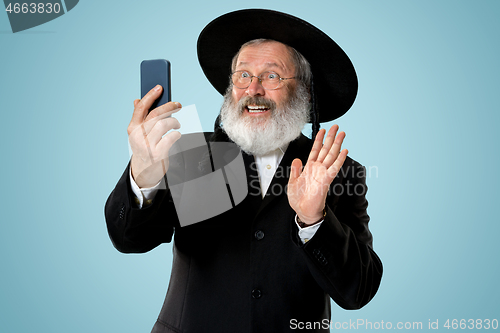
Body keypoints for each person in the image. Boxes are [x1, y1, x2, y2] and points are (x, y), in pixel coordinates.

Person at [105, 9, 383, 333]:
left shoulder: (339, 171)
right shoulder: (189, 152)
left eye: (272, 76)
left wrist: (314, 220)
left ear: (304, 93)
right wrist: (144, 174)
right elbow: (128, 239)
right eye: (243, 75)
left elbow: (358, 291)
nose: (253, 89)